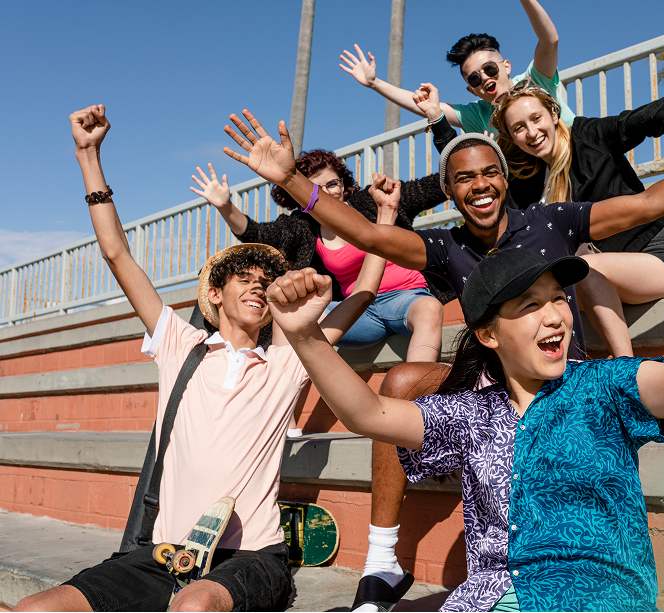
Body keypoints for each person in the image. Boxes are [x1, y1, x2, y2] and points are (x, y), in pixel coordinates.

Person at [221, 88, 664, 610]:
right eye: (464, 179)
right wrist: (289, 181)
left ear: (506, 175)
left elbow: (648, 207)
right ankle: (381, 558)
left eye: (488, 173)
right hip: (483, 386)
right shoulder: (446, 244)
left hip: (559, 381)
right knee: (398, 386)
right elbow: (371, 235)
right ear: (449, 191)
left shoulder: (551, 222)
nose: (479, 186)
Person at [14, 105, 387, 613]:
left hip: (252, 557)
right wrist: (88, 155)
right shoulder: (179, 345)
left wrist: (382, 220)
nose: (258, 282)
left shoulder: (287, 358)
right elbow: (117, 254)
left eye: (265, 279)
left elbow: (364, 291)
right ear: (214, 294)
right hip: (165, 555)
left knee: (193, 606)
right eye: (244, 277)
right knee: (36, 609)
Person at [415, 42, 664, 356]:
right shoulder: (527, 180)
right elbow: (468, 172)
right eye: (519, 128)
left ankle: (624, 366)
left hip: (650, 258)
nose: (532, 133)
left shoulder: (591, 136)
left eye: (536, 119)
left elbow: (656, 116)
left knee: (581, 268)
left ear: (553, 114)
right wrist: (437, 120)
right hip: (592, 279)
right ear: (512, 138)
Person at [191, 153, 446, 436]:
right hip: (359, 313)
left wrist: (451, 137)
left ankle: (419, 406)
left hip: (407, 298)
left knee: (430, 309)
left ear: (343, 183)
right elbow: (256, 232)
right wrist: (226, 206)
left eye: (333, 183)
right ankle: (281, 414)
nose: (327, 192)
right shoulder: (304, 225)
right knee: (290, 319)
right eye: (316, 188)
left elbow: (434, 186)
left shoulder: (369, 203)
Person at [340, 0, 574, 134]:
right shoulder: (479, 114)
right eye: (474, 79)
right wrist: (374, 83)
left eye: (490, 69)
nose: (484, 78)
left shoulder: (534, 82)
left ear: (507, 66)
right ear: (471, 90)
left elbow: (550, 41)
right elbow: (425, 106)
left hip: (582, 168)